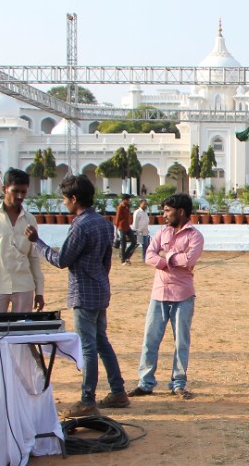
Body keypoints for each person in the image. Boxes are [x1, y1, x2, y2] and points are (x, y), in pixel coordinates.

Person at [27, 175, 130, 418]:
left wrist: (37, 243)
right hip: (99, 289)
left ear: (74, 199)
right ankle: (117, 390)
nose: (63, 204)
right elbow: (107, 262)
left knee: (89, 346)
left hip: (83, 292)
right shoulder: (104, 223)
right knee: (101, 341)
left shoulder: (81, 225)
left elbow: (61, 260)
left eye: (64, 199)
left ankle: (87, 399)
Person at [127, 193, 203, 399]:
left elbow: (189, 260)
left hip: (183, 295)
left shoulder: (195, 236)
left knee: (181, 342)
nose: (164, 215)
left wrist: (165, 256)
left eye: (168, 211)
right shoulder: (161, 232)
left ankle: (178, 383)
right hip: (159, 294)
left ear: (181, 212)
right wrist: (170, 260)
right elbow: (149, 256)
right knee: (150, 340)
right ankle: (145, 382)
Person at [0, 169, 45, 314]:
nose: (19, 196)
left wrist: (39, 292)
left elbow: (34, 257)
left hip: (24, 286)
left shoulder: (30, 220)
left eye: (23, 192)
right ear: (4, 189)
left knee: (21, 332)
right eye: (15, 191)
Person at [116, 193, 137, 265]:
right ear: (124, 200)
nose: (129, 201)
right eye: (128, 200)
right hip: (121, 227)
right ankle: (123, 260)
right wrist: (116, 229)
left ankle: (125, 256)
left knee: (134, 241)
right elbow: (117, 218)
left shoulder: (127, 207)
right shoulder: (120, 207)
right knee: (123, 243)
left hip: (127, 227)